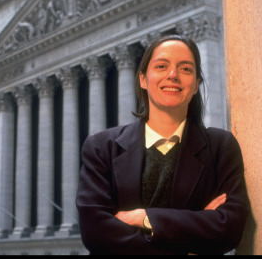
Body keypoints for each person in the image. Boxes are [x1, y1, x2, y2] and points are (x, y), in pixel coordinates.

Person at [76, 35, 250, 255]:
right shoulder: (102, 148)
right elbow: (96, 233)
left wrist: (146, 218)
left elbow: (229, 229)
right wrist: (194, 231)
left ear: (196, 84)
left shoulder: (220, 147)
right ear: (142, 79)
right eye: (161, 66)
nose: (173, 75)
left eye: (185, 69)